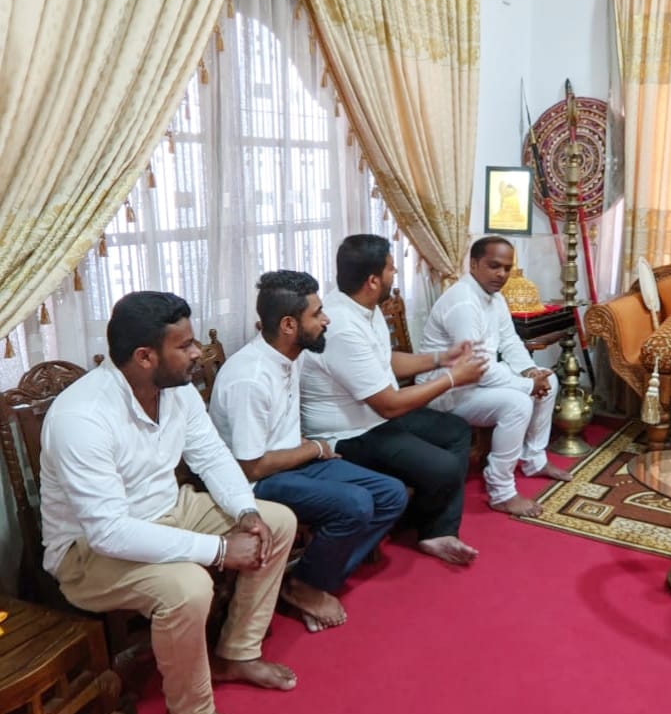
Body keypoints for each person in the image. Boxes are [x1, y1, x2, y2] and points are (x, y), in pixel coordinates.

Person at [40, 291, 297, 714]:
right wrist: (218, 550)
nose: (197, 353)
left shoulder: (173, 389)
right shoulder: (81, 417)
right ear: (144, 356)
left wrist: (245, 512)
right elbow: (109, 533)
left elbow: (212, 456)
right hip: (88, 552)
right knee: (189, 587)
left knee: (276, 521)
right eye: (185, 345)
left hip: (171, 509)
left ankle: (237, 652)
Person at [209, 271, 408, 633]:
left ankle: (303, 580)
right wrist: (317, 448)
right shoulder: (250, 378)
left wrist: (313, 450)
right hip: (257, 483)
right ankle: (307, 586)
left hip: (295, 462)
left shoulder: (292, 353)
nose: (326, 319)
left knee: (391, 494)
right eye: (317, 314)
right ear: (289, 324)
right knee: (356, 504)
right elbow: (252, 467)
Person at [299, 234, 488, 565]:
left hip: (374, 418)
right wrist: (454, 378)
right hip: (347, 435)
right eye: (390, 269)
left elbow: (384, 361)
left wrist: (443, 358)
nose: (395, 274)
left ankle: (435, 529)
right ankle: (415, 521)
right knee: (443, 467)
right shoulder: (341, 325)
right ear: (373, 280)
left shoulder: (363, 307)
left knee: (456, 430)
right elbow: (389, 403)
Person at [417, 236, 568, 517]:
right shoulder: (463, 303)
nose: (502, 274)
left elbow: (509, 341)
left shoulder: (493, 296)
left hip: (472, 383)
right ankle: (501, 491)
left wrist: (531, 372)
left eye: (507, 268)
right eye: (494, 266)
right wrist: (526, 385)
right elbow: (479, 367)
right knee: (518, 403)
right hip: (444, 391)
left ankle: (534, 459)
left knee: (550, 378)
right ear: (474, 264)